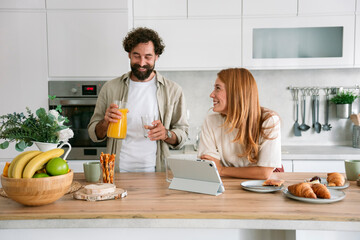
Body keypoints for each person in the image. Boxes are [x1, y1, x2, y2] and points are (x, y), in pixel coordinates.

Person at [88, 27, 189, 172]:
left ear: (156, 56)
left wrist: (166, 134)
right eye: (137, 56)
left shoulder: (173, 90)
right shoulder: (110, 88)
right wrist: (105, 123)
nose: (141, 63)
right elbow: (94, 134)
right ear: (129, 54)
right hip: (117, 172)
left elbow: (182, 135)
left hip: (157, 173)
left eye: (148, 57)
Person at [198, 68, 281, 179]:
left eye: (218, 88)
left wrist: (222, 170)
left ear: (236, 92)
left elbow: (264, 173)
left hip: (262, 186)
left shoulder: (268, 121)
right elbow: (210, 166)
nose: (211, 95)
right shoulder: (211, 121)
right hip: (227, 184)